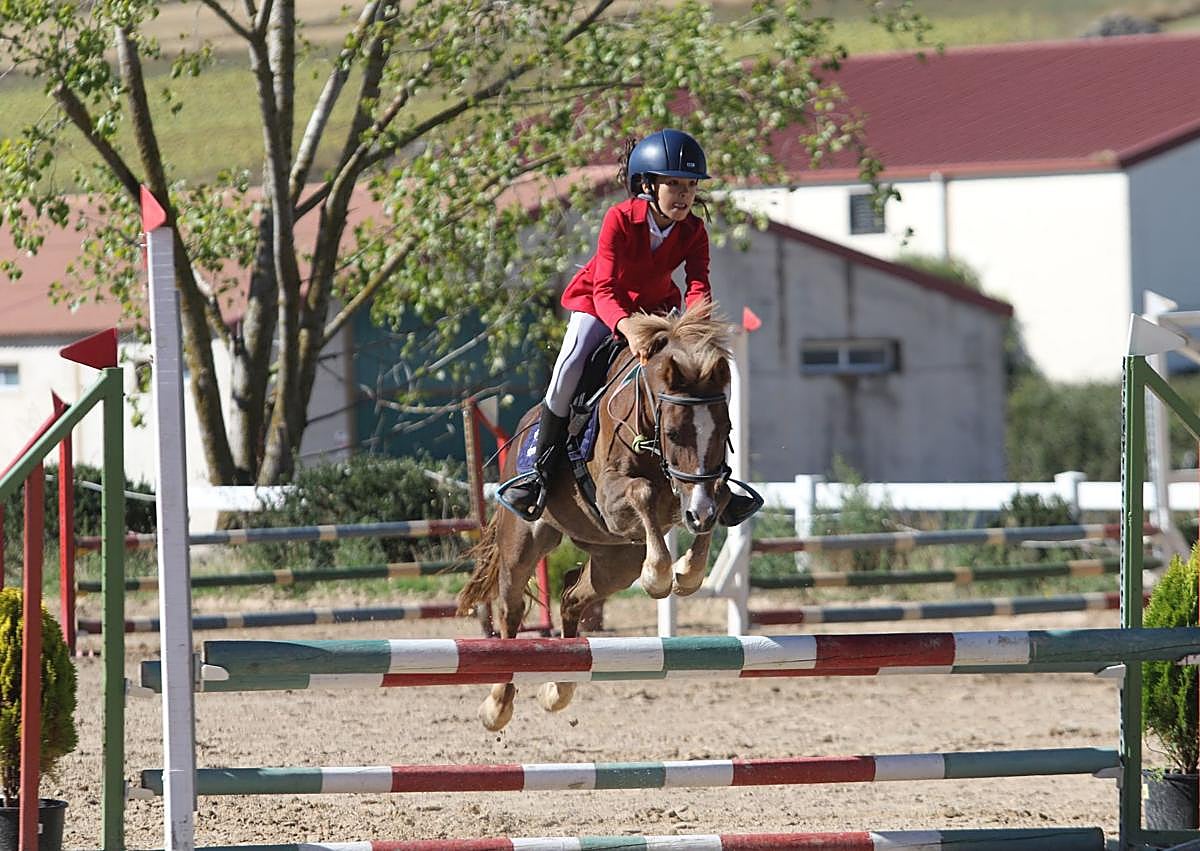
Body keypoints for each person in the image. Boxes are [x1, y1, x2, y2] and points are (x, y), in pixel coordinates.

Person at [500, 128, 714, 521]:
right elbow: (605, 288)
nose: (684, 194)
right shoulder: (619, 218)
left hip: (655, 311)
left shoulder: (694, 230)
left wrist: (698, 328)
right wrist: (627, 327)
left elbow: (698, 283)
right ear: (648, 185)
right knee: (571, 363)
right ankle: (536, 469)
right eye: (674, 184)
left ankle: (714, 477)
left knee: (703, 377)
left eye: (689, 185)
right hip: (600, 306)